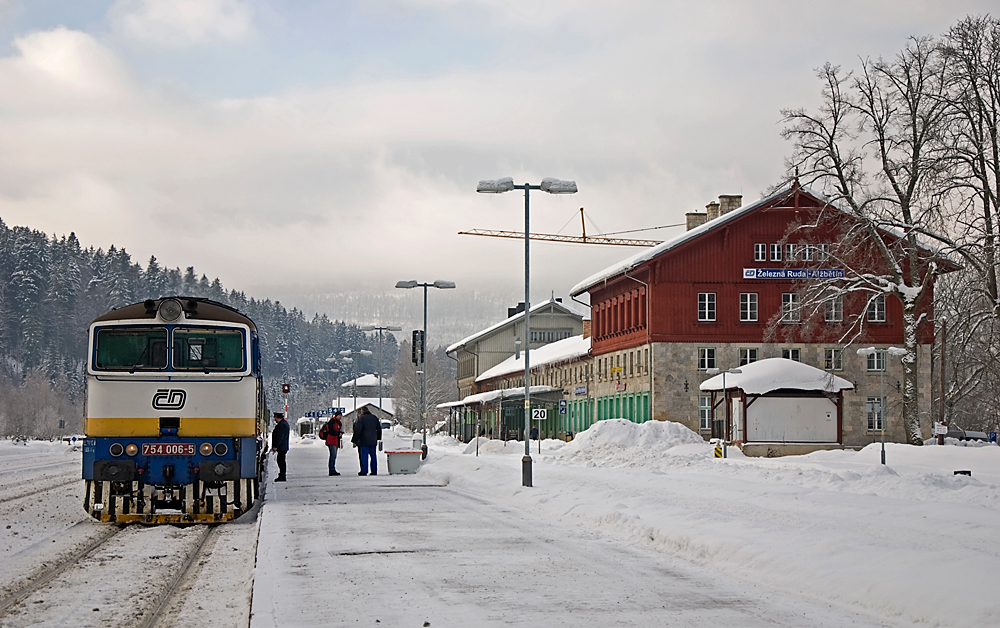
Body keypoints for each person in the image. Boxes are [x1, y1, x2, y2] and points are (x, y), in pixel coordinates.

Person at [352, 406, 382, 476]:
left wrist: (355, 440)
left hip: (364, 440)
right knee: (373, 455)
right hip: (373, 440)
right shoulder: (374, 417)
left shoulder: (361, 419)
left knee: (364, 456)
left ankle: (364, 471)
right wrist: (378, 437)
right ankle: (374, 471)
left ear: (362, 412)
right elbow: (379, 428)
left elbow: (358, 430)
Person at [319, 411, 344, 476]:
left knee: (334, 456)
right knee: (333, 455)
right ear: (336, 416)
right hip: (331, 440)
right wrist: (338, 433)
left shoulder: (339, 423)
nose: (340, 417)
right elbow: (331, 431)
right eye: (339, 415)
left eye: (341, 416)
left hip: (335, 441)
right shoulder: (332, 421)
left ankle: (332, 469)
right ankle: (331, 470)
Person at [271, 412, 290, 482]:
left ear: (277, 417)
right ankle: (282, 475)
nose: (274, 419)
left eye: (275, 418)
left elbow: (279, 436)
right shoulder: (284, 424)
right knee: (281, 461)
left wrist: (276, 446)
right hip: (283, 446)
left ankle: (282, 476)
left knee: (280, 461)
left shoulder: (281, 425)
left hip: (282, 446)